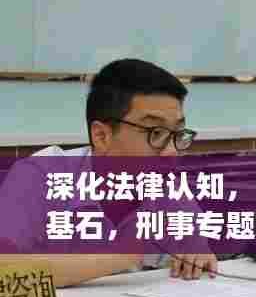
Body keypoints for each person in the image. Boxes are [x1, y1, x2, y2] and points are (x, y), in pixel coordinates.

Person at [0, 59, 217, 285]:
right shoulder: (41, 175)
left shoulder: (167, 187)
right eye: (156, 132)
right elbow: (3, 270)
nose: (171, 151)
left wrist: (198, 254)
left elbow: (196, 250)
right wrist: (122, 256)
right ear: (102, 136)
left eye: (178, 133)